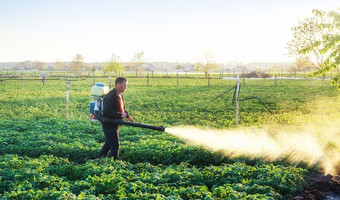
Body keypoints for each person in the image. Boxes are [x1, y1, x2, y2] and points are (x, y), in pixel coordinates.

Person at [99, 77, 134, 159]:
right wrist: (119, 115)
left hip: (115, 124)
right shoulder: (110, 96)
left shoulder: (120, 96)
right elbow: (107, 111)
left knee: (108, 144)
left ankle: (99, 159)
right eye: (125, 85)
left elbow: (122, 110)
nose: (126, 87)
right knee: (115, 145)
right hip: (109, 124)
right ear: (118, 84)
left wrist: (128, 117)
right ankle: (114, 163)